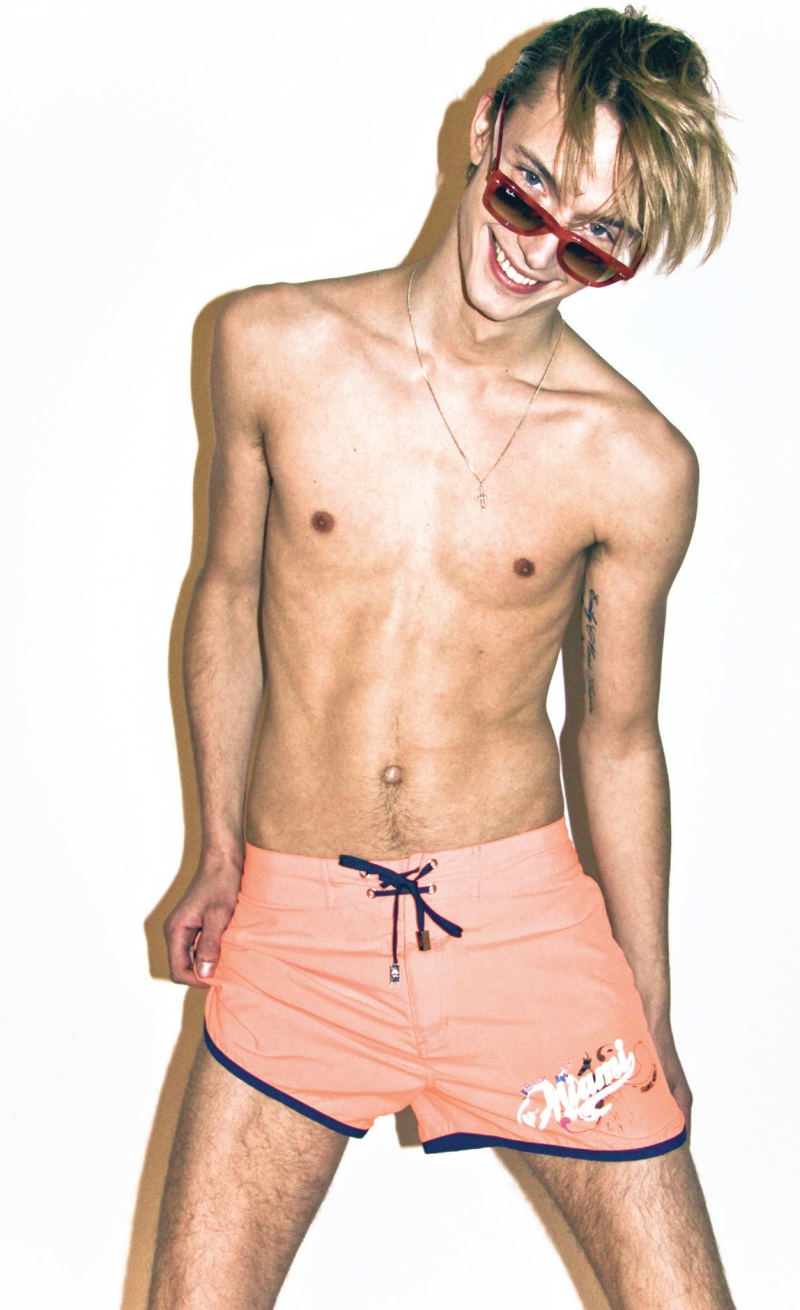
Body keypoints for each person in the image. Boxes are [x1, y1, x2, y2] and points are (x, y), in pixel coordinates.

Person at [148, 7, 737, 1307]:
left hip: (526, 929)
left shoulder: (636, 463)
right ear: (485, 128)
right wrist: (220, 849)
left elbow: (617, 737)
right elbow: (227, 595)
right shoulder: (268, 348)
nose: (537, 251)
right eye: (528, 193)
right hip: (297, 934)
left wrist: (648, 997)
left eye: (594, 243)